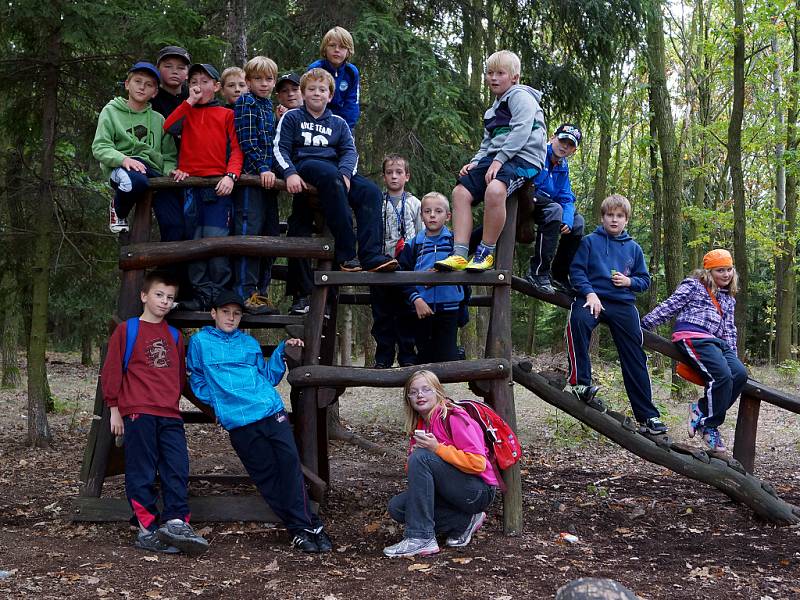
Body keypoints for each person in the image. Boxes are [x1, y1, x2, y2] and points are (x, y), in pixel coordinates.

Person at [186, 291, 333, 553]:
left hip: (270, 411)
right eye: (225, 312)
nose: (231, 318)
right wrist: (219, 402)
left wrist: (281, 351)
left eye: (236, 313)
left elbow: (268, 377)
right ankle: (303, 527)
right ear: (213, 314)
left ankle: (308, 526)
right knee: (266, 477)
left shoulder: (249, 343)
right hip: (239, 422)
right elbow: (196, 379)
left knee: (289, 467)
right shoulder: (200, 342)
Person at [100, 270, 208, 555]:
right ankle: (147, 528)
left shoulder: (174, 336)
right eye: (159, 295)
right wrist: (114, 410)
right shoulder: (128, 330)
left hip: (170, 414)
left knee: (177, 467)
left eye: (170, 298)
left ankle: (175, 523)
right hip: (138, 412)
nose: (164, 301)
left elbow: (178, 378)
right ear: (144, 296)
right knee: (141, 470)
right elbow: (111, 372)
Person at [273, 68, 397, 273]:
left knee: (370, 191)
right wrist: (290, 173)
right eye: (311, 89)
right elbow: (279, 148)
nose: (316, 93)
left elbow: (350, 152)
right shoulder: (292, 117)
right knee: (329, 175)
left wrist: (347, 174)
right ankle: (347, 254)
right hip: (306, 166)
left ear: (330, 95)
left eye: (322, 89)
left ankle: (371, 255)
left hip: (335, 172)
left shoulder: (338, 123)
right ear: (303, 93)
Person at [435, 50, 546, 273]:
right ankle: (459, 253)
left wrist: (499, 160)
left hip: (523, 157)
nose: (493, 78)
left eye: (500, 73)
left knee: (495, 190)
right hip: (497, 157)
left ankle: (485, 251)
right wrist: (476, 162)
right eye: (489, 73)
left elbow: (522, 130)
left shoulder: (520, 96)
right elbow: (487, 143)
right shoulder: (491, 111)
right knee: (460, 192)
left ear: (514, 77)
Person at [565, 194, 668, 434]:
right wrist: (589, 293)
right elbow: (576, 271)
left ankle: (648, 416)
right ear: (602, 218)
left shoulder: (634, 248)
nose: (614, 220)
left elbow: (644, 281)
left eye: (619, 216)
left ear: (626, 220)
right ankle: (581, 384)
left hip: (622, 304)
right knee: (578, 322)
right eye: (610, 215)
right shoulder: (590, 242)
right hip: (593, 299)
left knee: (634, 353)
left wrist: (629, 280)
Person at [383, 370, 497, 557]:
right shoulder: (420, 425)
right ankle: (464, 522)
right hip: (450, 491)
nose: (420, 395)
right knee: (398, 507)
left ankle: (421, 538)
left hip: (478, 491)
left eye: (426, 389)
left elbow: (478, 463)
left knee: (422, 457)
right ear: (408, 398)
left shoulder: (454, 417)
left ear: (438, 392)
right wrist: (413, 458)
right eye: (413, 392)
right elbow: (420, 471)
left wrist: (436, 449)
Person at [642, 249, 747, 451]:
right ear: (708, 271)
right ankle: (709, 427)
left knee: (739, 374)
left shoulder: (729, 298)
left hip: (717, 342)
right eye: (720, 270)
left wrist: (732, 355)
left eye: (729, 270)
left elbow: (730, 329)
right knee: (722, 376)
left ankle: (700, 409)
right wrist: (644, 324)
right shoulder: (694, 285)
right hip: (693, 335)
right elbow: (671, 305)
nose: (726, 275)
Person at [164, 63, 243, 311]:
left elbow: (237, 150)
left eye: (205, 81)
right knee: (193, 241)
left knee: (217, 242)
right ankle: (199, 295)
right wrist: (189, 101)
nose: (199, 85)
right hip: (190, 188)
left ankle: (217, 295)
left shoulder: (227, 114)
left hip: (218, 189)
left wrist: (231, 176)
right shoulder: (185, 111)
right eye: (195, 81)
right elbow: (168, 127)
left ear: (217, 87)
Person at [92, 62, 177, 234]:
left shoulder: (159, 119)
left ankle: (170, 260)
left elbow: (169, 155)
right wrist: (123, 159)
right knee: (134, 182)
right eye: (137, 82)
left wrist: (170, 171)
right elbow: (100, 146)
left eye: (149, 85)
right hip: (122, 167)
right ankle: (117, 209)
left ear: (154, 93)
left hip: (154, 171)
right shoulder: (111, 112)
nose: (142, 87)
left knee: (175, 225)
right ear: (127, 84)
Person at [233, 56, 280, 315]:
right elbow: (248, 140)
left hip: (268, 180)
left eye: (269, 79)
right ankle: (245, 293)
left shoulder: (266, 105)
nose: (264, 84)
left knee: (269, 234)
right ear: (248, 81)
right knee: (248, 234)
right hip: (252, 177)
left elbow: (272, 140)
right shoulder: (246, 102)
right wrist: (262, 167)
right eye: (258, 79)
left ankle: (261, 292)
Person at [398, 192, 464, 364]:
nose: (432, 215)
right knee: (425, 358)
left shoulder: (456, 242)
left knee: (448, 359)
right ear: (421, 216)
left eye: (438, 211)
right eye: (427, 211)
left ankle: (457, 354)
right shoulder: (413, 244)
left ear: (448, 216)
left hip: (450, 308)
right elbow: (401, 275)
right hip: (421, 309)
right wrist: (416, 299)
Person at [371, 155, 422, 368]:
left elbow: (421, 233)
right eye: (389, 173)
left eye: (399, 172)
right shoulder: (376, 202)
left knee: (406, 312)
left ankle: (407, 357)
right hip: (381, 265)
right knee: (382, 313)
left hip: (406, 266)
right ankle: (383, 357)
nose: (394, 176)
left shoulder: (415, 203)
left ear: (407, 176)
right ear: (383, 177)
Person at [525, 123, 586, 295]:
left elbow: (566, 197)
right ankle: (538, 271)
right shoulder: (538, 152)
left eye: (570, 144)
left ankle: (559, 274)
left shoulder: (562, 166)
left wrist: (568, 219)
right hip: (526, 198)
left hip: (547, 204)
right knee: (555, 210)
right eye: (562, 140)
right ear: (553, 138)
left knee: (578, 222)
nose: (564, 146)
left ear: (573, 151)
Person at [274, 71, 315, 315]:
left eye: (295, 89)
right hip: (294, 186)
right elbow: (278, 150)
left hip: (320, 189)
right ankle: (301, 296)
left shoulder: (322, 115)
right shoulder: (278, 120)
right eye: (285, 91)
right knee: (297, 234)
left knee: (323, 243)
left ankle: (323, 297)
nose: (291, 94)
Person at [307, 26, 360, 131]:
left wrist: (346, 128)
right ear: (325, 48)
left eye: (342, 47)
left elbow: (352, 103)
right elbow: (309, 100)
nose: (336, 50)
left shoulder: (351, 72)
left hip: (342, 124)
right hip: (316, 123)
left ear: (348, 51)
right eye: (332, 45)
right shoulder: (316, 69)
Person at [151, 45, 191, 120]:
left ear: (188, 74)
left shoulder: (194, 98)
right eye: (168, 66)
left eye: (181, 68)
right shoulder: (149, 98)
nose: (175, 71)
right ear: (157, 69)